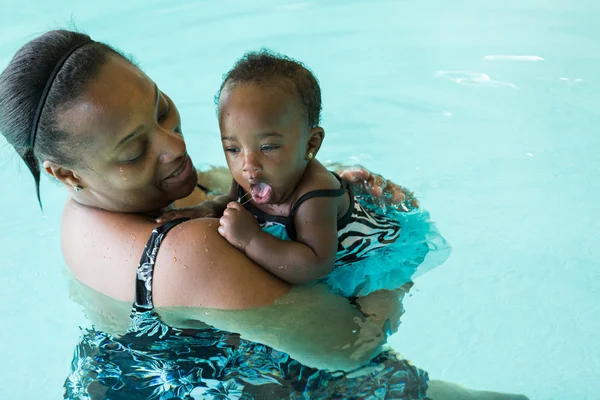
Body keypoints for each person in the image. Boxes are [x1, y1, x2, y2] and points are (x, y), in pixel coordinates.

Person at [0, 29, 528, 399]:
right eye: (135, 151)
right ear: (64, 173)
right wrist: (394, 255)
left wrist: (311, 185)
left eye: (161, 109)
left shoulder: (85, 209)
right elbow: (347, 346)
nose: (174, 147)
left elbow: (219, 188)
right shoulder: (189, 255)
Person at [157, 50, 450, 302]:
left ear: (311, 144)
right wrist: (206, 209)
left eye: (268, 147)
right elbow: (233, 204)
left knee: (359, 321)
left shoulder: (316, 195)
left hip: (373, 254)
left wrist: (251, 239)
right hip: (313, 248)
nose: (248, 164)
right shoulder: (250, 171)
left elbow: (314, 264)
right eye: (232, 148)